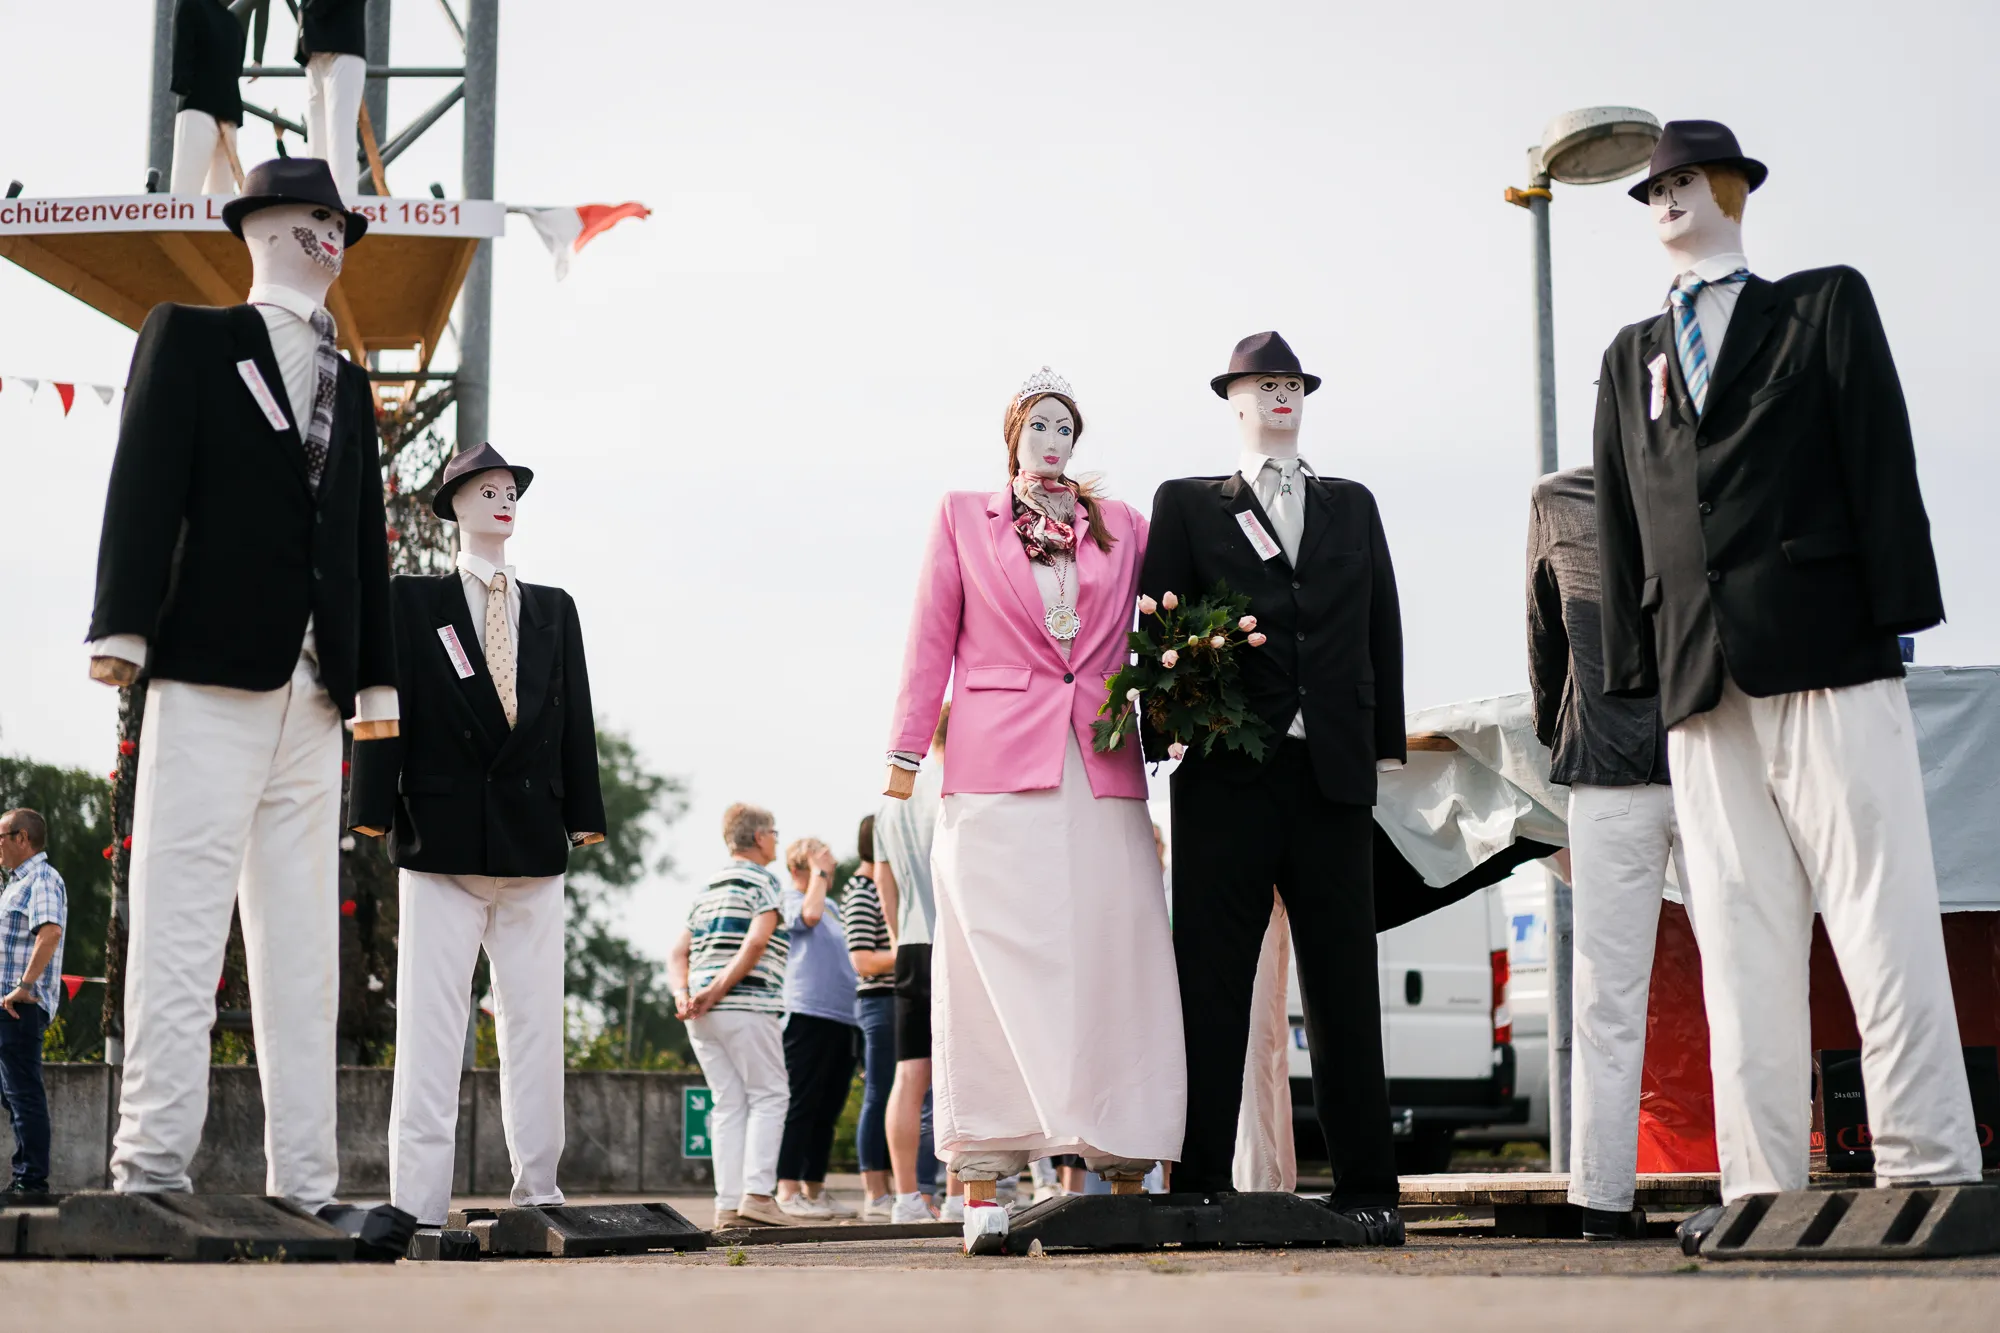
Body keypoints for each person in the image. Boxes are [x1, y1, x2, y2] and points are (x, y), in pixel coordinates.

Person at [1594, 121, 1981, 1244]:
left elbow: (1878, 453)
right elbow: (1621, 514)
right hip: (1697, 674)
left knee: (1878, 912)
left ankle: (1926, 1163)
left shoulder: (1821, 306)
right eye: (1651, 188)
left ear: (1732, 189)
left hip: (1824, 647)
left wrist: (1893, 612)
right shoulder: (1628, 355)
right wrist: (1635, 663)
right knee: (1736, 937)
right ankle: (1758, 1184)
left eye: (1683, 180)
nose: (1666, 198)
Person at [88, 158, 399, 1231]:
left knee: (304, 951)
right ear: (267, 226)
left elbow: (362, 538)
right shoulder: (190, 338)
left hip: (314, 698)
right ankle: (148, 1166)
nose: (335, 236)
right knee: (179, 927)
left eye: (341, 221)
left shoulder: (350, 383)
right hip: (208, 672)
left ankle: (306, 1181)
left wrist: (374, 681)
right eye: (319, 217)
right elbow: (144, 479)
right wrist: (121, 623)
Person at [884, 366, 1185, 1254]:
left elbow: (1158, 632)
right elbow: (929, 635)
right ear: (1012, 433)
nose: (1053, 441)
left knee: (1118, 949)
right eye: (1040, 425)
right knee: (989, 960)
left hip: (1101, 757)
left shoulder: (1123, 524)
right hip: (992, 762)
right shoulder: (960, 517)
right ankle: (984, 1172)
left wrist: (1174, 721)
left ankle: (1125, 1156)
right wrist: (906, 750)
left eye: (1066, 428)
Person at [1140, 331, 1406, 1246]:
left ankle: (1369, 1187)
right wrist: (1163, 738)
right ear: (1233, 398)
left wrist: (1381, 747)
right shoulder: (1187, 504)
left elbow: (1381, 622)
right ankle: (1201, 1181)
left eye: (1292, 383)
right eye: (1263, 383)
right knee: (1210, 979)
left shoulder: (1351, 504)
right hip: (1226, 775)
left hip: (1331, 773)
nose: (1280, 395)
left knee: (1345, 983)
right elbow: (1156, 628)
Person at [346, 443, 607, 1234]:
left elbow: (576, 718)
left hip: (533, 842)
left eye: (510, 489)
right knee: (430, 1028)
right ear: (454, 504)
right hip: (441, 839)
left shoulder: (554, 608)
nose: (503, 499)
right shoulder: (412, 601)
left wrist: (583, 813)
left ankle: (541, 1187)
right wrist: (372, 805)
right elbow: (381, 702)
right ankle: (418, 1200)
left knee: (536, 1027)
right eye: (487, 489)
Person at [1526, 465, 1683, 1240]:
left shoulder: (1560, 501)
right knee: (1744, 977)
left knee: (1606, 998)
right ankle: (1759, 1187)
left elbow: (1543, 640)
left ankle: (1602, 1197)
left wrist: (1566, 724)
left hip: (1617, 762)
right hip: (1697, 754)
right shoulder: (1710, 473)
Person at [669, 803, 796, 1229]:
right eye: (773, 832)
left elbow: (678, 951)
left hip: (702, 1012)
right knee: (769, 1095)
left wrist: (685, 994)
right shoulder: (764, 881)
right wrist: (719, 989)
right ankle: (758, 1195)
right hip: (747, 1003)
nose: (775, 840)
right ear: (759, 837)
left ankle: (727, 1204)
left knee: (728, 1103)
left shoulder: (708, 886)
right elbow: (757, 941)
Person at [874, 703, 947, 1223]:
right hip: (954, 942)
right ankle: (964, 1195)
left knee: (908, 1077)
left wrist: (901, 939)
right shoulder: (956, 788)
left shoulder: (890, 801)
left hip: (910, 946)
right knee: (961, 1073)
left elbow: (885, 884)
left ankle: (905, 1199)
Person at [774, 836, 862, 1219]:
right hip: (807, 1013)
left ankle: (814, 1188)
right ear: (802, 867)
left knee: (828, 1108)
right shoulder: (789, 900)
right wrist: (819, 875)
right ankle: (787, 1188)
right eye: (822, 864)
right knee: (802, 1103)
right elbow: (807, 917)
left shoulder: (833, 907)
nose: (830, 871)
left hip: (842, 1017)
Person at [0, 810, 66, 1198]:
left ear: (22, 838)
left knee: (23, 1093)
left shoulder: (41, 878)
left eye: (1, 837)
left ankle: (30, 1180)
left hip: (19, 1007)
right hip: (8, 1007)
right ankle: (27, 1174)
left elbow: (50, 932)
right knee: (14, 1093)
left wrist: (25, 986)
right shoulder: (16, 884)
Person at [842, 816, 900, 1219]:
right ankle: (875, 1193)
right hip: (879, 1001)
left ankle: (889, 1189)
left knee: (891, 1094)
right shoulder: (862, 891)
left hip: (892, 1000)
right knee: (879, 1094)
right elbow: (862, 960)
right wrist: (911, 953)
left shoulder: (878, 887)